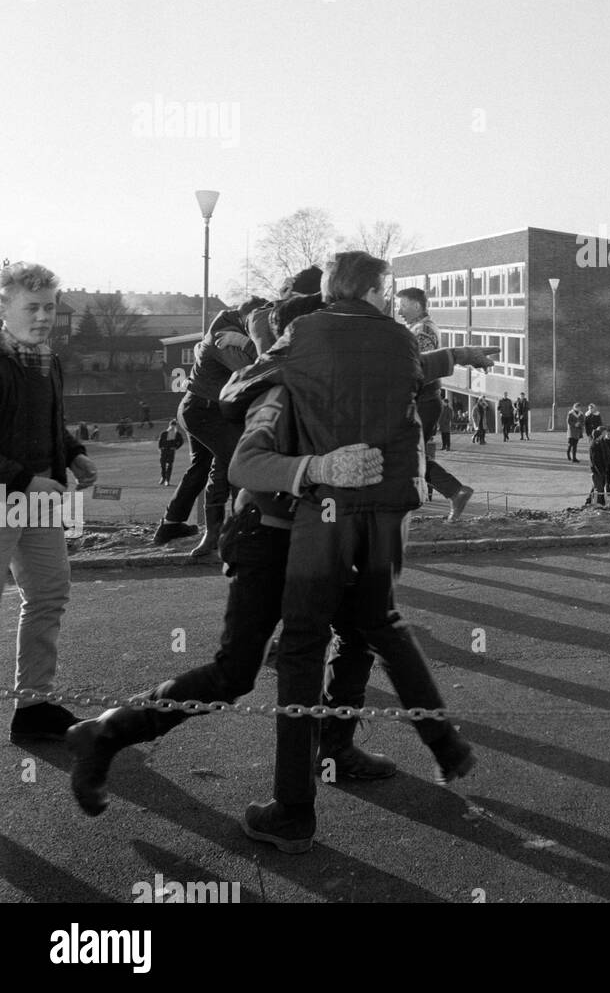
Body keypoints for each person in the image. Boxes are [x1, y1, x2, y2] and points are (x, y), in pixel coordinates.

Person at [213, 251, 498, 852]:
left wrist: (271, 378)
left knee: (301, 647)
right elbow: (418, 370)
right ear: (370, 289)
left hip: (330, 505)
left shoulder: (305, 333)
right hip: (391, 506)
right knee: (380, 621)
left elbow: (240, 386)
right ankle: (443, 745)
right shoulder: (398, 339)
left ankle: (293, 811)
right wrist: (460, 356)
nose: (392, 299)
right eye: (386, 289)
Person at [68, 433, 397, 818]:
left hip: (329, 537)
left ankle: (336, 748)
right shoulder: (281, 382)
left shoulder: (369, 384)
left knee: (357, 631)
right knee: (235, 674)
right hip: (267, 533)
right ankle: (107, 733)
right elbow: (242, 459)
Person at [1, 261, 97, 743]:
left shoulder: (48, 360)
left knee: (48, 597)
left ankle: (33, 706)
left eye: (49, 307)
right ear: (3, 307)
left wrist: (74, 454)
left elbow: (45, 425)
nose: (42, 317)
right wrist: (22, 479)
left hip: (39, 499)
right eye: (31, 307)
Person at [154, 298, 265, 558]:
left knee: (205, 467)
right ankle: (234, 528)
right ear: (245, 320)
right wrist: (249, 343)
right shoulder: (223, 334)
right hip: (204, 410)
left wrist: (244, 342)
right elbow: (251, 369)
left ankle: (175, 525)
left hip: (206, 408)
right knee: (235, 461)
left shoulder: (228, 328)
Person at [397, 288, 474, 525]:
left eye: (404, 306)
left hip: (424, 401)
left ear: (417, 306)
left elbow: (418, 368)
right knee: (408, 454)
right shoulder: (422, 328)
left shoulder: (423, 331)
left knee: (407, 454)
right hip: (425, 401)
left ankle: (455, 491)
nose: (399, 312)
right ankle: (454, 492)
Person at [586, 426, 610, 506]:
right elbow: (595, 460)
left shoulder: (599, 442)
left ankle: (589, 500)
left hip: (601, 469)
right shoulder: (594, 445)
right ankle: (600, 503)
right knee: (599, 487)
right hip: (598, 470)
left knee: (596, 486)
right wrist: (600, 471)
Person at [157, 419, 184, 486]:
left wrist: (176, 447)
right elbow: (160, 441)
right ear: (169, 425)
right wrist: (161, 448)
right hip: (164, 451)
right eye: (172, 425)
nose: (172, 427)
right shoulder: (164, 433)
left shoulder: (177, 434)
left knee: (169, 465)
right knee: (162, 465)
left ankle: (167, 480)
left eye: (174, 426)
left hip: (171, 451)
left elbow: (181, 441)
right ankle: (163, 477)